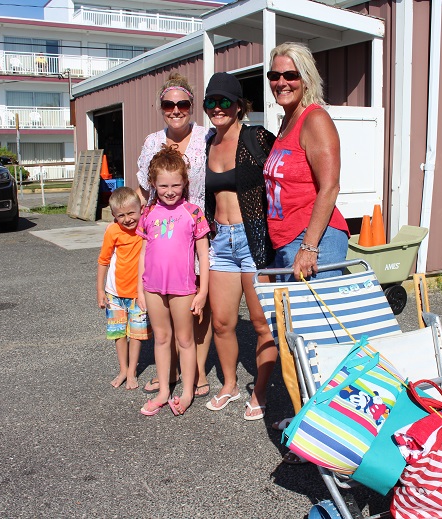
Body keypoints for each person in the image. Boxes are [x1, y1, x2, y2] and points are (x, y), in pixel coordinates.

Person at [263, 42, 350, 462]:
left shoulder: (315, 120)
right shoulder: (285, 123)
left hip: (314, 242)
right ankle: (308, 420)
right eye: (275, 76)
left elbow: (329, 186)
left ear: (306, 78)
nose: (282, 82)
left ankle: (329, 435)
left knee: (318, 342)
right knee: (296, 341)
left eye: (290, 75)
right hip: (286, 246)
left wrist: (308, 246)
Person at [200, 72, 277, 420]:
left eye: (224, 101)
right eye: (211, 102)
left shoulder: (256, 137)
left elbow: (285, 174)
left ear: (239, 105)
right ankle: (229, 384)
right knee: (222, 322)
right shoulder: (206, 143)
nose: (217, 108)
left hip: (253, 239)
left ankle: (259, 392)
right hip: (220, 242)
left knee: (262, 323)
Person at [136, 72, 212, 400]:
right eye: (169, 103)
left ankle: (196, 377)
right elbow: (143, 185)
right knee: (166, 314)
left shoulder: (207, 137)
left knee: (196, 308)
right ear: (161, 106)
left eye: (182, 103)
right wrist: (150, 218)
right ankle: (170, 374)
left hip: (198, 228)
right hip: (164, 234)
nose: (176, 109)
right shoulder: (153, 141)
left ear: (192, 105)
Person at [96, 187, 150, 391]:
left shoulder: (145, 226)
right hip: (115, 293)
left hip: (139, 294)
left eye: (131, 213)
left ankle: (132, 371)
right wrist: (100, 291)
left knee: (136, 334)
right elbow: (103, 261)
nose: (127, 219)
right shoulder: (112, 231)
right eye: (121, 215)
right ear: (114, 216)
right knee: (119, 333)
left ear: (141, 210)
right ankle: (122, 369)